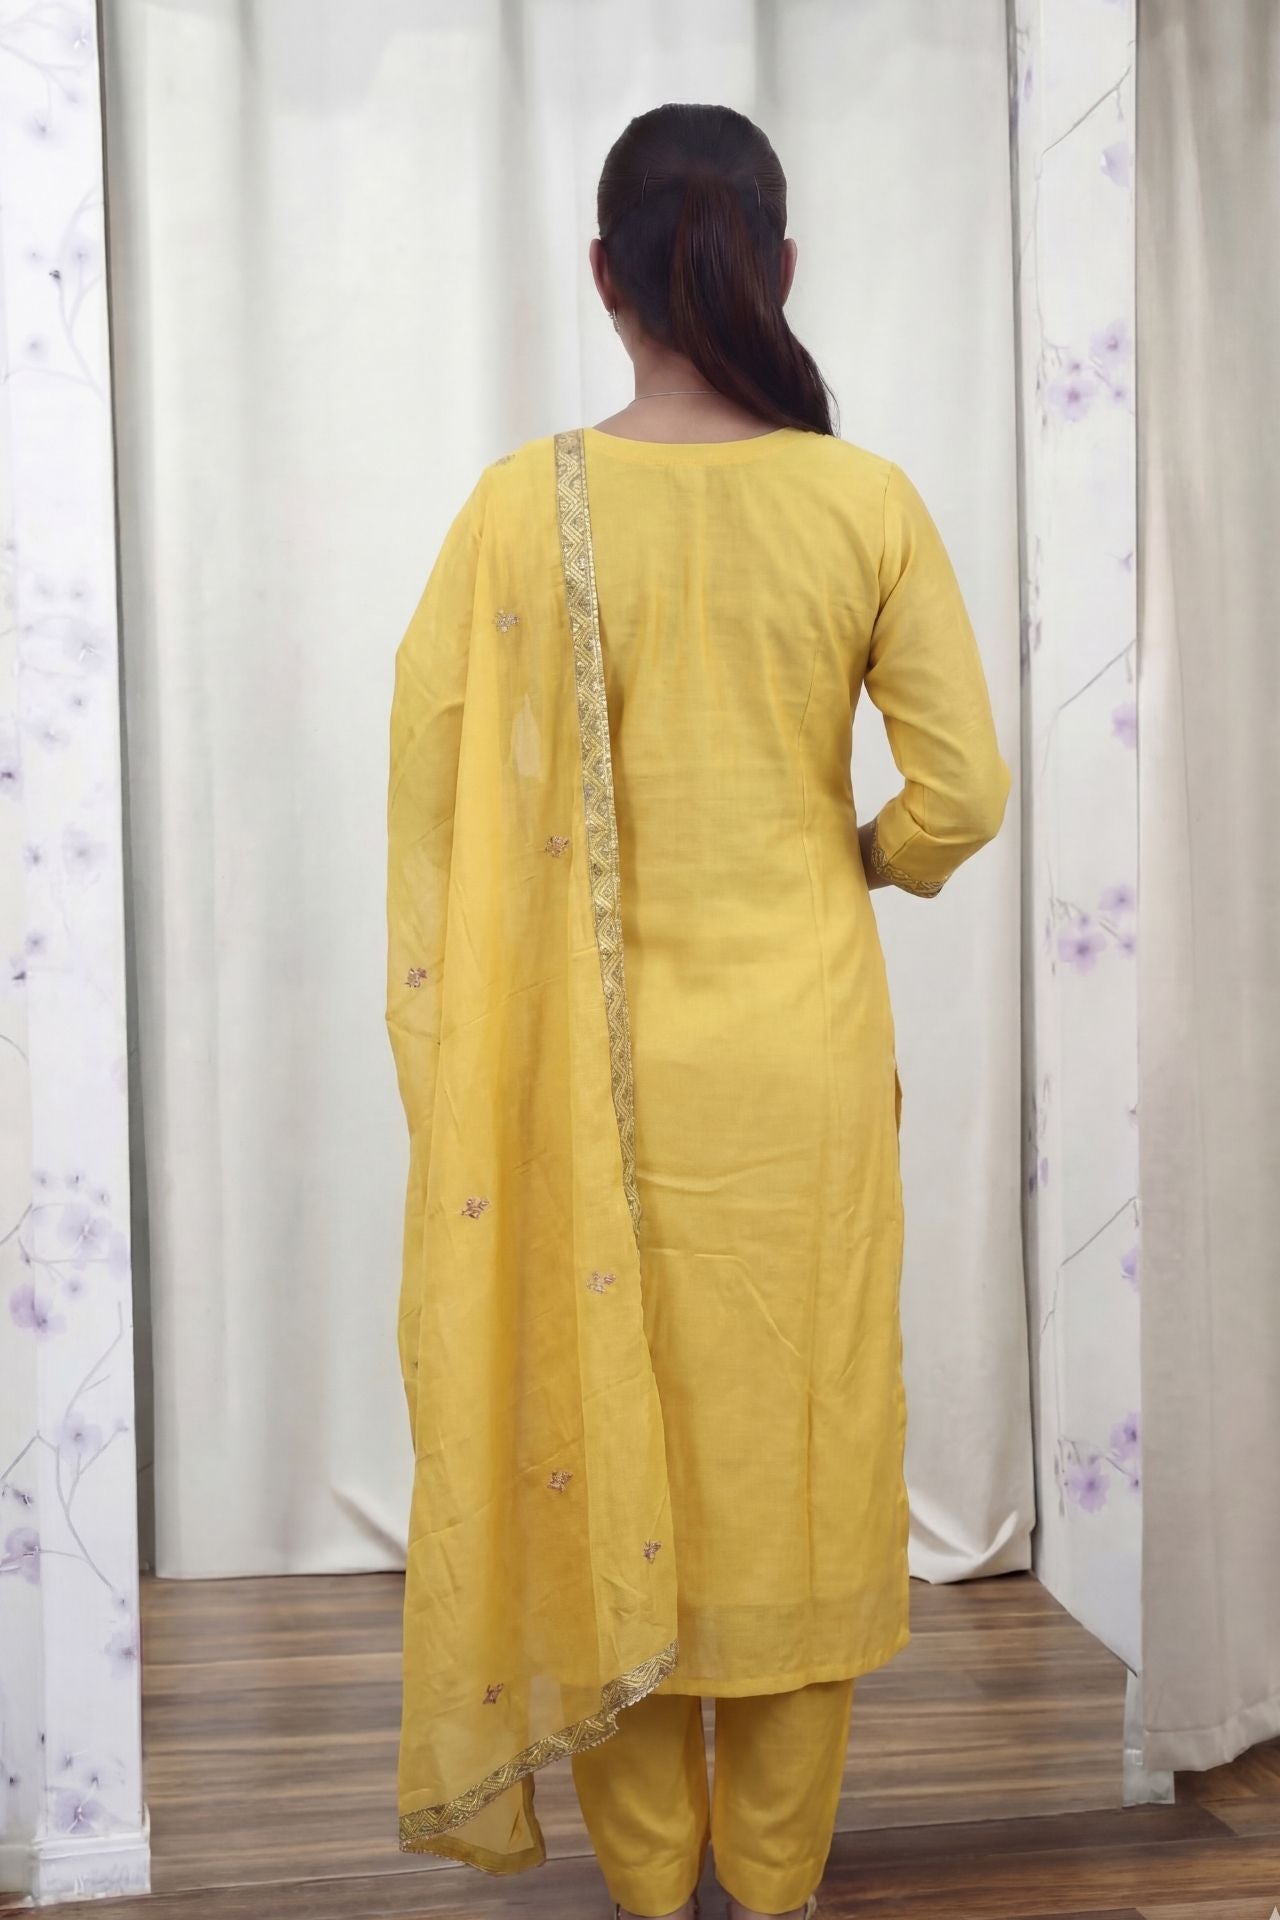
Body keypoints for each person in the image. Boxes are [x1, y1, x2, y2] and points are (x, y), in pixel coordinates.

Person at [386, 101, 1011, 1920]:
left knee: (613, 1447)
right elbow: (964, 796)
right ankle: (781, 1885)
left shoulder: (521, 509)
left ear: (603, 274)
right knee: (797, 1453)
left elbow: (436, 793)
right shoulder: (863, 501)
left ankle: (655, 1893)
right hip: (800, 1066)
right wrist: (857, 857)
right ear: (778, 266)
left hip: (593, 1081)